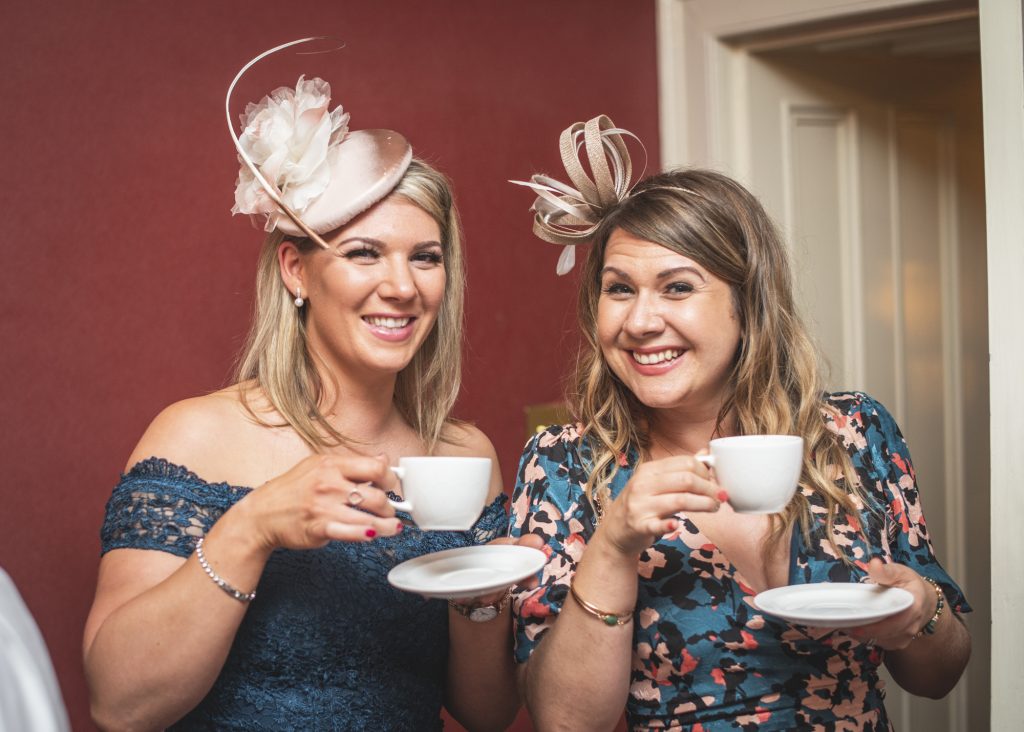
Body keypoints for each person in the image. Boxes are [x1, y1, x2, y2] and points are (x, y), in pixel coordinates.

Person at [83, 40, 530, 731]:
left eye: (426, 257)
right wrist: (254, 526)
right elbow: (118, 704)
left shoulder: (463, 456)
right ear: (296, 270)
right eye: (363, 253)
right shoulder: (197, 436)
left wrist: (482, 600)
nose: (402, 286)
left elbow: (487, 712)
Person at [507, 116, 971, 730]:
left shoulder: (854, 433)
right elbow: (564, 721)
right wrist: (614, 545)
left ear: (747, 303)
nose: (640, 321)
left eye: (677, 288)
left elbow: (939, 676)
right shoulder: (564, 465)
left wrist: (922, 612)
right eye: (619, 290)